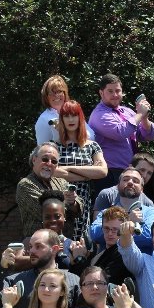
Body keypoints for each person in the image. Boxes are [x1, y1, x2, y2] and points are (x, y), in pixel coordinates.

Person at [89, 74, 154, 195]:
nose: (115, 95)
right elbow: (120, 132)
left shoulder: (127, 111)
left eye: (118, 91)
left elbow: (147, 136)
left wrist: (144, 117)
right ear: (101, 93)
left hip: (130, 171)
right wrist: (140, 114)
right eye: (110, 91)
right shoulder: (99, 115)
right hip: (110, 173)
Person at [53, 100, 108, 239]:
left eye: (74, 115)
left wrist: (68, 167)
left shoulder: (92, 146)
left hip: (83, 202)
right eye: (66, 116)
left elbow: (102, 171)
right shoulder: (53, 146)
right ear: (61, 119)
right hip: (59, 201)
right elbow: (53, 171)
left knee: (81, 244)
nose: (70, 119)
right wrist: (87, 174)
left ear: (80, 117)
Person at [16, 143, 83, 238]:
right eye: (45, 159)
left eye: (54, 161)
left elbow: (80, 207)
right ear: (34, 160)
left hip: (64, 241)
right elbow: (48, 213)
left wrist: (73, 202)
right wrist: (67, 203)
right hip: (39, 242)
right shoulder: (25, 184)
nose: (49, 163)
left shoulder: (62, 182)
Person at [91, 168, 154, 254]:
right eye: (125, 179)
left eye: (135, 181)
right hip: (108, 260)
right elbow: (94, 234)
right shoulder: (106, 212)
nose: (130, 182)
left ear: (142, 189)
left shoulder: (150, 212)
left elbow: (149, 237)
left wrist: (112, 230)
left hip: (138, 262)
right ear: (118, 186)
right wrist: (128, 223)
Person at [71, 206, 134, 285]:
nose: (110, 233)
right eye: (106, 228)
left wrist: (79, 258)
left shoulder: (123, 254)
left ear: (123, 230)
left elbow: (99, 283)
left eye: (115, 229)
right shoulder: (102, 252)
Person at [35, 75, 94, 145]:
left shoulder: (73, 111)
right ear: (46, 97)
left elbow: (92, 136)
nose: (56, 95)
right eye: (52, 93)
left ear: (65, 93)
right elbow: (42, 147)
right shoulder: (44, 119)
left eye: (59, 91)